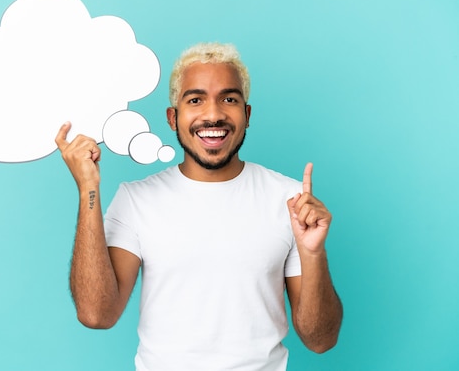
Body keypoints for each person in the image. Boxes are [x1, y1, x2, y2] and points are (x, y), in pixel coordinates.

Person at [55, 43, 343, 371]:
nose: (213, 114)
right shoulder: (137, 200)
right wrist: (88, 189)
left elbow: (321, 340)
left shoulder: (289, 200)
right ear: (172, 118)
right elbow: (96, 314)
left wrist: (313, 254)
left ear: (247, 116)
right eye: (195, 100)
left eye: (229, 99)